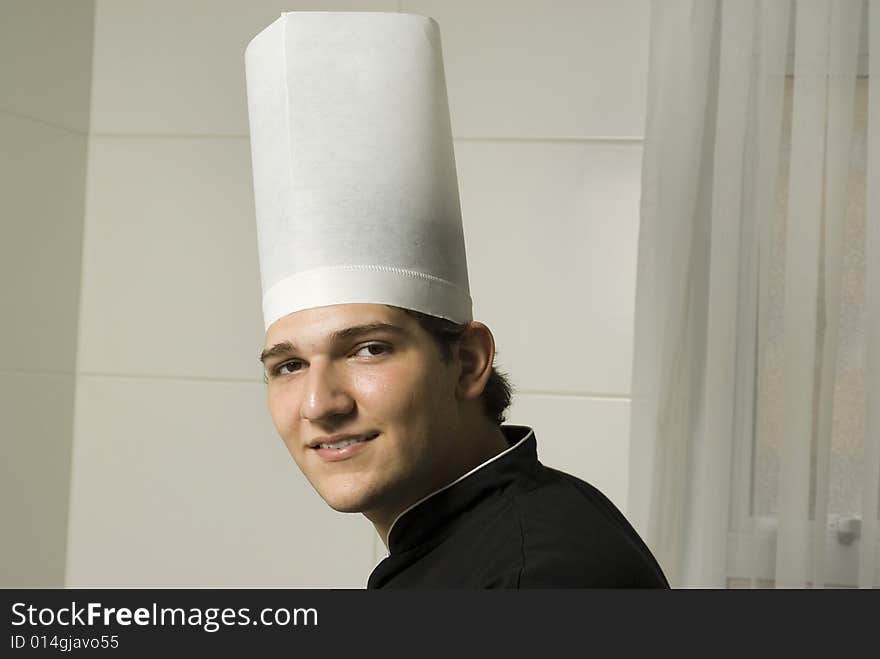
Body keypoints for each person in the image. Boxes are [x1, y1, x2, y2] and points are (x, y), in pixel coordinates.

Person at [246, 11, 668, 588]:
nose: (319, 403)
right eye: (289, 365)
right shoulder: (484, 534)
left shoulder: (539, 579)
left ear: (467, 362)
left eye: (369, 349)